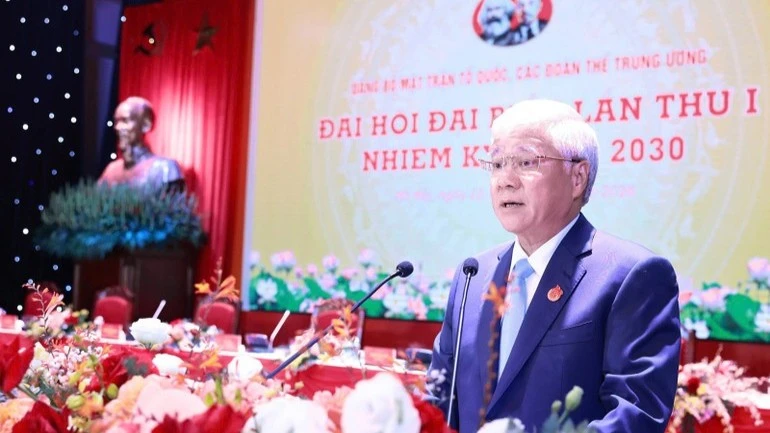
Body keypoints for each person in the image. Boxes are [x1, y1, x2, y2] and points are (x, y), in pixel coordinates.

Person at [429, 99, 680, 432]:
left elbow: (636, 416)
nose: (505, 180)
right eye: (497, 163)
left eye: (525, 162)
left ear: (577, 178)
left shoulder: (633, 276)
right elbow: (439, 400)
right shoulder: (472, 276)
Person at [99, 96, 185, 191]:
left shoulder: (165, 169)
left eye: (125, 120)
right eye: (116, 122)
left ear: (146, 125)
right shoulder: (111, 170)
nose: (118, 127)